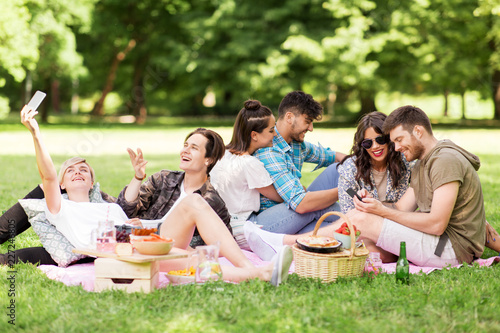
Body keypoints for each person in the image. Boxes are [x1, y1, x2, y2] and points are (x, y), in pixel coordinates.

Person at [2, 105, 293, 286]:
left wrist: (138, 227)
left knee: (194, 258)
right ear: (62, 185)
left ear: (92, 180)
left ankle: (263, 273)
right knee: (192, 218)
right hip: (122, 251)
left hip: (145, 243)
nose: (77, 171)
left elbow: (127, 215)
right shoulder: (59, 207)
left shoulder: (105, 205)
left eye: (84, 169)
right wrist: (36, 133)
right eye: (71, 171)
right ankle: (254, 268)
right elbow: (48, 176)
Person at [346, 105, 487, 266]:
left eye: (399, 140)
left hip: (450, 248)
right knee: (357, 214)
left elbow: (436, 224)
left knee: (364, 221)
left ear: (418, 131)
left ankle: (311, 244)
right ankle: (314, 244)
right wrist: (375, 206)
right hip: (439, 240)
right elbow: (400, 208)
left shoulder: (445, 160)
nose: (396, 148)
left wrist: (382, 212)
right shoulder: (422, 164)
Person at [116, 128, 232, 248]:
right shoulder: (164, 179)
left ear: (209, 159)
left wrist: (147, 230)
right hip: (131, 241)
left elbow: (221, 244)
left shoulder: (211, 202)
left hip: (164, 252)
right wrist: (138, 177)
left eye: (194, 148)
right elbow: (124, 209)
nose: (185, 151)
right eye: (185, 145)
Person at [252, 91, 347, 235]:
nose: (311, 128)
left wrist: (357, 163)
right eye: (307, 121)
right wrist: (345, 189)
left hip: (298, 214)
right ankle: (358, 217)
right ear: (289, 117)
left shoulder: (296, 144)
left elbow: (332, 156)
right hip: (270, 223)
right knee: (325, 209)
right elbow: (301, 204)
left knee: (339, 168)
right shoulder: (269, 151)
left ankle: (361, 212)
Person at [209, 100, 283, 248]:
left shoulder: (222, 153)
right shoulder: (249, 163)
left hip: (220, 226)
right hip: (243, 229)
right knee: (308, 209)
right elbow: (280, 197)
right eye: (271, 130)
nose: (275, 134)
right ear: (254, 135)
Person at [337, 111, 413, 213]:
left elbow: (406, 209)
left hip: (399, 223)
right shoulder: (349, 169)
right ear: (361, 146)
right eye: (367, 143)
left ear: (390, 138)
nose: (375, 146)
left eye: (380, 139)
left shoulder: (405, 162)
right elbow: (349, 214)